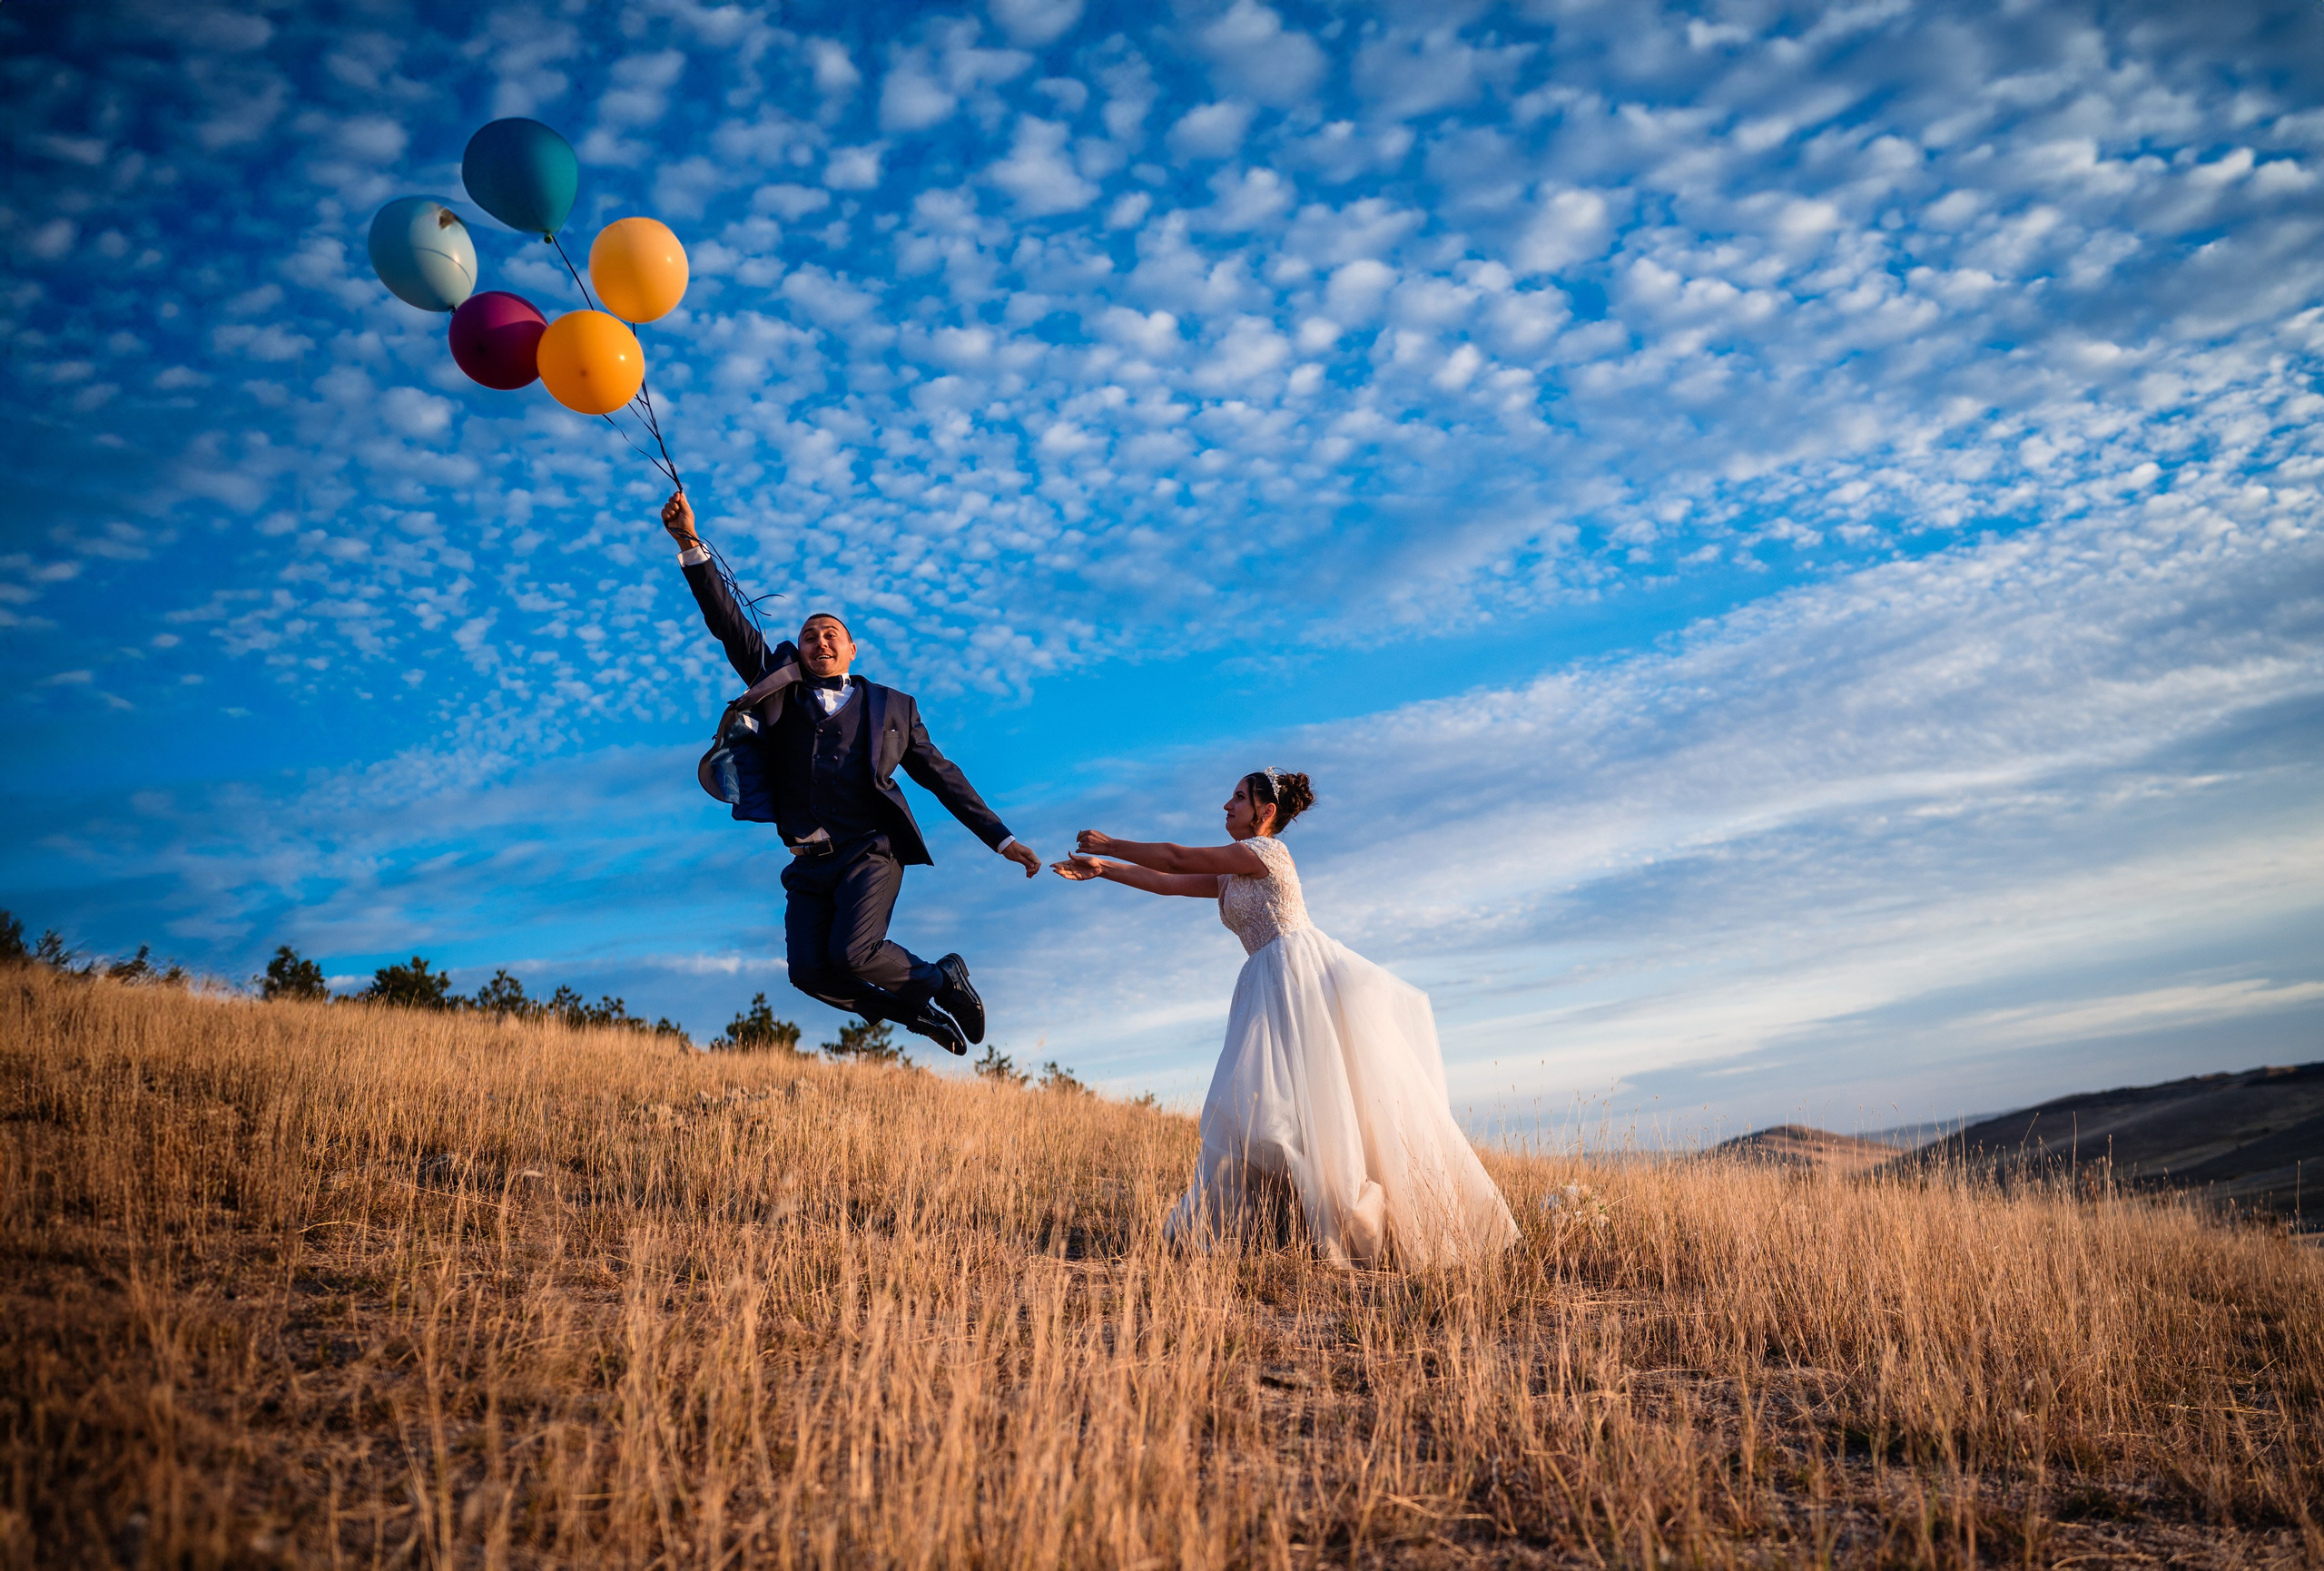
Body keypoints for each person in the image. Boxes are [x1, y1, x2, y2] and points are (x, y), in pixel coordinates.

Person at [1051, 770, 1518, 1268]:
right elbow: (1167, 881)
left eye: (1236, 798)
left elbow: (1175, 856)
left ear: (1265, 811)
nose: (1225, 806)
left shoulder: (1265, 854)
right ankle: (1277, 1223)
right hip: (1265, 981)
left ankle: (1341, 1218)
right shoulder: (1232, 871)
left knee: (1306, 1102)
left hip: (1297, 979)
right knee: (1263, 1107)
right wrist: (1105, 869)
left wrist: (1113, 842)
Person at [662, 491, 1040, 1056]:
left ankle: (941, 979)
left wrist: (1002, 839)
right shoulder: (778, 688)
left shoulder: (894, 707)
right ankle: (917, 1018)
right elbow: (728, 624)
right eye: (810, 634)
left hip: (870, 849)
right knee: (810, 973)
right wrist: (691, 545)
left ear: (853, 650)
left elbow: (941, 776)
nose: (819, 640)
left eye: (831, 633)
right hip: (807, 862)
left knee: (854, 953)